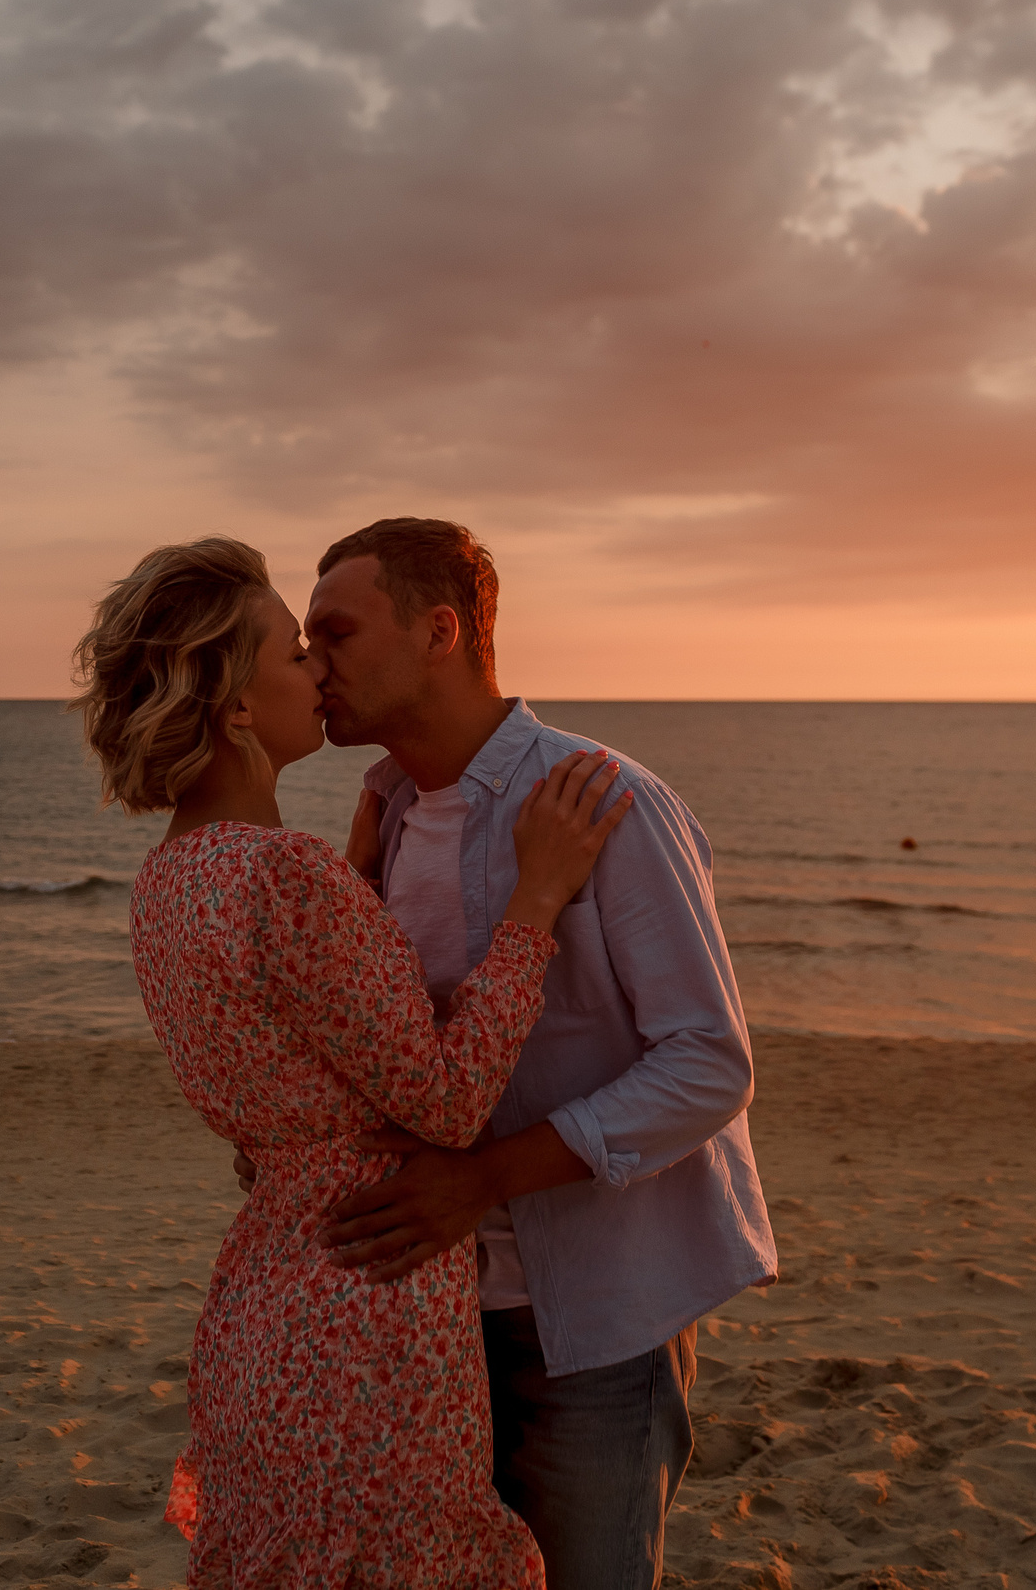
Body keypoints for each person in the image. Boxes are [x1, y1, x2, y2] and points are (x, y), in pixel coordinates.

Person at [72, 535, 635, 1589]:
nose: (316, 672)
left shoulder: (171, 881)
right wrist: (536, 898)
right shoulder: (285, 876)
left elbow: (287, 1053)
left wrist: (356, 886)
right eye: (292, 655)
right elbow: (452, 1100)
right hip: (366, 1303)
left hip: (270, 1293)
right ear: (237, 707)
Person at [298, 516, 778, 1590]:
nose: (307, 664)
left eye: (334, 633)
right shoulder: (381, 810)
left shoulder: (602, 800)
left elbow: (708, 1065)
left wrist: (478, 1183)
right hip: (422, 1322)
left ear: (439, 631)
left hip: (593, 1324)